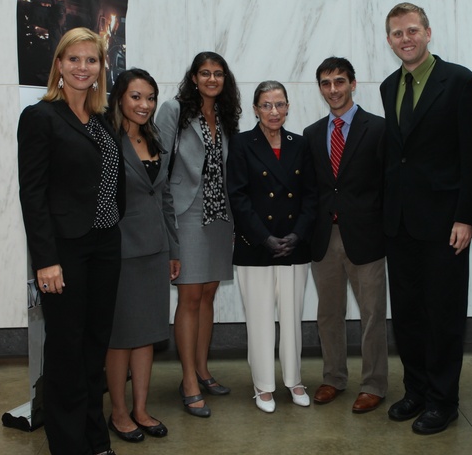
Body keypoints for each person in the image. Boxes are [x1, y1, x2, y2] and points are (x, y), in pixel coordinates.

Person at [18, 27, 127, 455]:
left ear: (102, 68)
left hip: (104, 244)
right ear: (59, 65)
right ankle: (69, 450)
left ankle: (95, 440)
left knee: (94, 347)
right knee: (66, 349)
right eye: (74, 59)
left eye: (92, 60)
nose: (84, 68)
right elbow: (33, 195)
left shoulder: (102, 119)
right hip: (63, 251)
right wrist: (45, 259)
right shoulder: (40, 117)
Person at [379, 2, 472, 435]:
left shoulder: (459, 81)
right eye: (396, 33)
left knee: (442, 313)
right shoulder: (390, 86)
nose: (405, 39)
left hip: (445, 223)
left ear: (428, 32)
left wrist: (466, 217)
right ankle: (416, 391)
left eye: (411, 31)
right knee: (406, 313)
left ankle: (444, 401)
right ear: (389, 41)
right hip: (400, 223)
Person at [156, 52, 241, 417]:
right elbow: (158, 163)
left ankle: (203, 369)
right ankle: (188, 379)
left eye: (218, 74)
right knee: (189, 297)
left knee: (207, 296)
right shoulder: (173, 111)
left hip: (220, 214)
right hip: (186, 211)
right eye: (205, 73)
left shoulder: (225, 115)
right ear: (193, 77)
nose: (211, 79)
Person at [302, 57, 389, 413]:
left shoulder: (379, 129)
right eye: (326, 83)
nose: (333, 89)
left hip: (366, 236)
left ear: (353, 84)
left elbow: (388, 185)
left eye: (340, 81)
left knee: (372, 314)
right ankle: (333, 377)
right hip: (324, 237)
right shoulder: (311, 133)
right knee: (328, 314)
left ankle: (373, 384)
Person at [227, 81, 318, 413]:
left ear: (288, 106)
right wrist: (264, 237)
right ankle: (263, 385)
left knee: (292, 318)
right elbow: (237, 196)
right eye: (266, 105)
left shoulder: (300, 143)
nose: (274, 112)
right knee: (260, 318)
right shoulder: (240, 143)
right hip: (257, 245)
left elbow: (311, 195)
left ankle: (294, 380)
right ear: (255, 109)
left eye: (280, 104)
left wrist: (298, 234)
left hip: (293, 245)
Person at [103, 69, 180, 443]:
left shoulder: (158, 137)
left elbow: (164, 197)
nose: (145, 105)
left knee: (147, 334)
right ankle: (118, 413)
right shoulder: (105, 139)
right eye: (136, 97)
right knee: (120, 337)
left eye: (150, 97)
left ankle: (141, 408)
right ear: (120, 98)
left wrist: (173, 248)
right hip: (119, 252)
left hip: (155, 250)